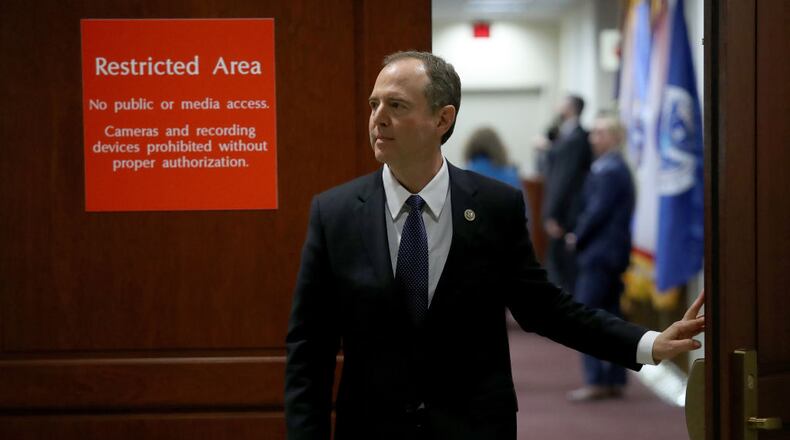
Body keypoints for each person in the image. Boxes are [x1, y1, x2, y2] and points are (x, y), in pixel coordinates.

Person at [284, 51, 705, 440]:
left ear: (442, 119)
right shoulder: (335, 214)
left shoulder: (494, 207)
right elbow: (310, 349)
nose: (378, 118)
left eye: (396, 106)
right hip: (372, 429)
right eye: (374, 104)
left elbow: (545, 309)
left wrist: (647, 343)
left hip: (475, 427)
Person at [564, 113, 636, 401]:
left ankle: (596, 380)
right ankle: (614, 379)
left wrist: (576, 236)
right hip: (610, 254)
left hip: (600, 255)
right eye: (593, 132)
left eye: (601, 132)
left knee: (587, 318)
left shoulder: (610, 170)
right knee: (612, 317)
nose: (594, 137)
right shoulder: (612, 167)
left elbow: (597, 211)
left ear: (617, 136)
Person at [542, 95, 592, 293]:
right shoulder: (566, 135)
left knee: (561, 276)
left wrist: (551, 214)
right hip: (566, 213)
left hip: (565, 216)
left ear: (570, 108)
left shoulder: (575, 137)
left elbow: (563, 179)